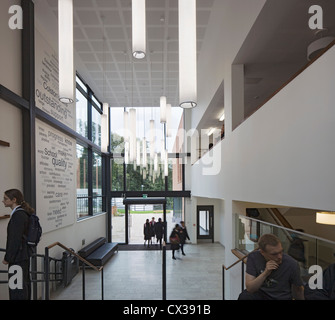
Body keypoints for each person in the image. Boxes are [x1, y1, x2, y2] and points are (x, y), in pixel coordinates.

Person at [238, 233, 304, 300]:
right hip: (261, 295)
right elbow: (250, 289)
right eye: (274, 254)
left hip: (281, 297)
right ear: (262, 252)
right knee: (245, 296)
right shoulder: (254, 257)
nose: (279, 257)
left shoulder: (291, 263)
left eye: (281, 252)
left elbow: (298, 290)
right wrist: (265, 273)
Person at [2, 189, 34, 300]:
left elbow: (14, 240)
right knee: (23, 285)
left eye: (5, 198)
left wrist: (7, 258)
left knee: (16, 289)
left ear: (14, 200)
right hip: (23, 255)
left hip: (17, 258)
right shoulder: (23, 213)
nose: (3, 201)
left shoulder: (18, 216)